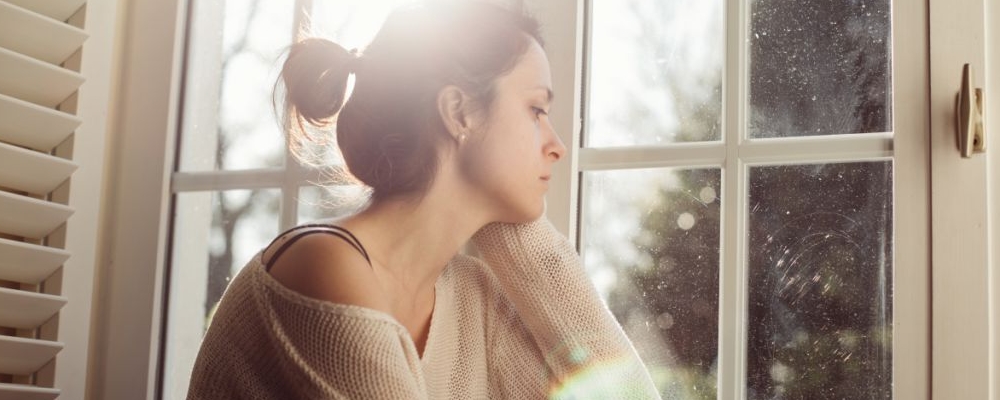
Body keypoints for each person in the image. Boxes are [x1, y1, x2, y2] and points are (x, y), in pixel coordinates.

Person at [187, 1, 659, 398]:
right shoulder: (323, 267)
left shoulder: (472, 295)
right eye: (536, 109)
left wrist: (517, 235)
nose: (556, 144)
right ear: (458, 112)